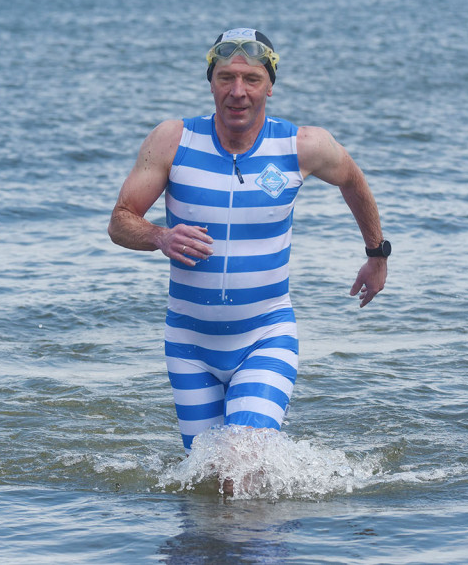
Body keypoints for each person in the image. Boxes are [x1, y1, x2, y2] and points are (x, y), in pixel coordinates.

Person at [108, 28, 390, 474]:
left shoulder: (301, 146)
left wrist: (377, 254)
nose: (237, 91)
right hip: (188, 345)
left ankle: (267, 540)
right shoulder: (172, 140)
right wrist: (160, 236)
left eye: (251, 79)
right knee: (208, 479)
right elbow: (120, 221)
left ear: (270, 85)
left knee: (238, 463)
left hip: (265, 336)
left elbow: (353, 180)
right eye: (226, 77)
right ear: (211, 81)